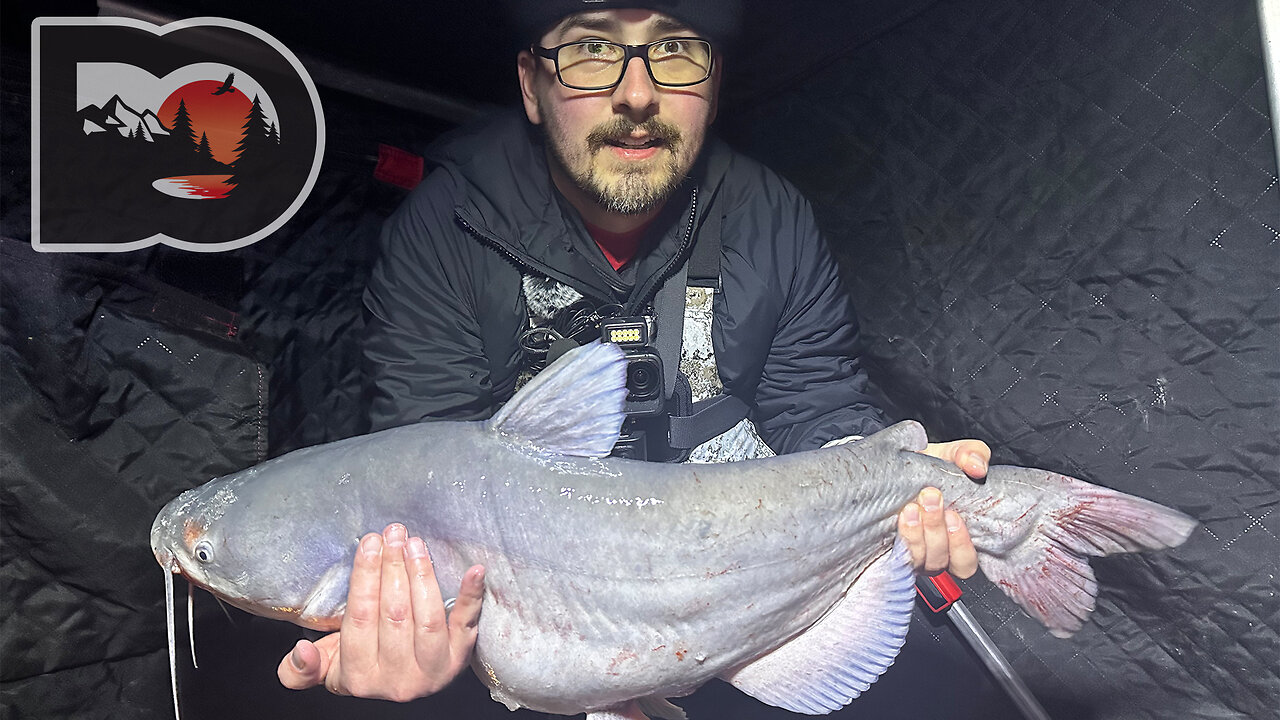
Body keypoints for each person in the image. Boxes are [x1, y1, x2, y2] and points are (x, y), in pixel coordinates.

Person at [277, 0, 991, 703]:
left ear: (715, 82)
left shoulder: (772, 215)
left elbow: (814, 400)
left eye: (675, 48)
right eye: (593, 48)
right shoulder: (442, 232)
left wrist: (892, 481)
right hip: (541, 603)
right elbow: (423, 462)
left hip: (752, 587)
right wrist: (412, 628)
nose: (638, 93)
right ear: (531, 84)